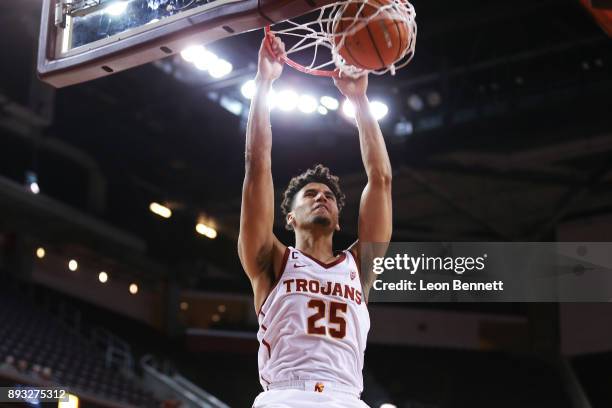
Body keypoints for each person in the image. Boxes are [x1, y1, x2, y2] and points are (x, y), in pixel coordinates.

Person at [238, 34, 392, 408]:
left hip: (346, 399)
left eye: (329, 197)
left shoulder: (360, 265)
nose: (321, 197)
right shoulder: (271, 260)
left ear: (340, 220)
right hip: (287, 396)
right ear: (289, 217)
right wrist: (264, 82)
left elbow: (381, 179)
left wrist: (359, 100)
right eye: (310, 194)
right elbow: (257, 165)